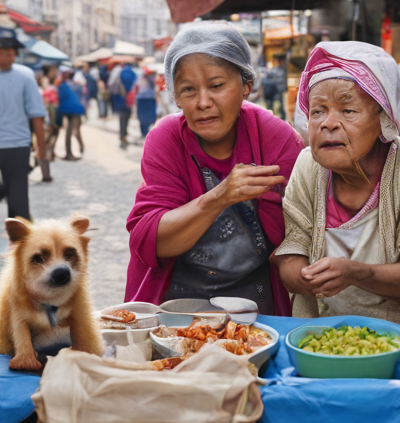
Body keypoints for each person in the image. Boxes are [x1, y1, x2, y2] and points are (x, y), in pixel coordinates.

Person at [125, 22, 304, 316]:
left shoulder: (275, 138)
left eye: (217, 85)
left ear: (246, 85)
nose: (203, 102)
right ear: (175, 97)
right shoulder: (166, 138)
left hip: (257, 307)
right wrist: (220, 195)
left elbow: (303, 229)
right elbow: (151, 240)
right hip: (176, 307)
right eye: (188, 90)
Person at [274, 41, 400, 324]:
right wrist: (304, 278)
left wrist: (355, 273)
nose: (327, 123)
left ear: (384, 119)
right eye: (318, 111)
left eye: (348, 111)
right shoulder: (308, 165)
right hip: (319, 335)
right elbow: (292, 251)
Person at [0, 27, 47, 220]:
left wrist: (41, 148)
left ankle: (23, 242)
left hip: (17, 146)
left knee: (18, 203)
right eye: (4, 52)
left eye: (12, 53)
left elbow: (36, 114)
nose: (9, 57)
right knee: (9, 192)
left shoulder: (25, 75)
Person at [57, 68, 85, 161]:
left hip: (68, 109)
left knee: (69, 131)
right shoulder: (75, 85)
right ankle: (79, 148)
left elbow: (60, 97)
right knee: (75, 130)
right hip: (76, 109)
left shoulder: (63, 85)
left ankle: (70, 153)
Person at [108, 62, 136, 149]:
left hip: (121, 97)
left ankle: (122, 135)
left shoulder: (119, 72)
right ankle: (124, 134)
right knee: (127, 116)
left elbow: (111, 84)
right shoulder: (133, 73)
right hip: (130, 98)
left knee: (122, 117)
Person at [136, 67, 157, 138]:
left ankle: (147, 132)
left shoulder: (151, 77)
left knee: (149, 117)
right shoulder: (140, 76)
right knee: (142, 117)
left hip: (148, 99)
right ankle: (143, 132)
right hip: (143, 99)